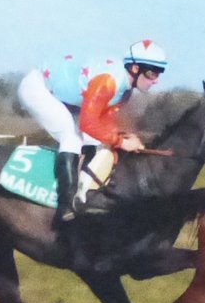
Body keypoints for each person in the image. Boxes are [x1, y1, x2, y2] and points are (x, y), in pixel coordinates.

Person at [17, 40, 167, 224]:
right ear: (135, 69)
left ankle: (84, 193)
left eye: (159, 73)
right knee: (71, 138)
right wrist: (121, 142)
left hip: (60, 95)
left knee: (94, 141)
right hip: (36, 87)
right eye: (152, 73)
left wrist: (123, 136)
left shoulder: (125, 92)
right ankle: (65, 206)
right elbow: (88, 123)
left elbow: (103, 123)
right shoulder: (108, 82)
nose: (156, 80)